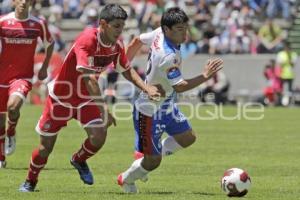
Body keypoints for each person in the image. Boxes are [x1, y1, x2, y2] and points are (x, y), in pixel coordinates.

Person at [19, 4, 163, 192]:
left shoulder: (115, 46)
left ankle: (78, 159)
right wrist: (104, 110)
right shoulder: (87, 40)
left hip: (85, 99)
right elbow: (89, 79)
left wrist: (146, 88)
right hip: (62, 98)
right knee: (46, 148)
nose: (120, 31)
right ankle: (31, 180)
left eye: (122, 26)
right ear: (103, 24)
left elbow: (127, 72)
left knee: (99, 136)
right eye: (117, 26)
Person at [117, 7, 223, 193]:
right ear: (167, 29)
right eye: (180, 29)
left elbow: (136, 41)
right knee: (153, 162)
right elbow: (180, 86)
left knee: (188, 138)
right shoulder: (168, 56)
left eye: (186, 28)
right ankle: (126, 178)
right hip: (148, 110)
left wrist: (121, 65)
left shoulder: (159, 32)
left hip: (165, 104)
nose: (185, 33)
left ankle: (145, 157)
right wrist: (205, 76)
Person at [0, 0, 54, 168]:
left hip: (22, 77)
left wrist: (45, 67)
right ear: (13, 1)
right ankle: (1, 157)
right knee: (1, 119)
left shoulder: (38, 24)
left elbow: (50, 43)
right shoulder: (2, 21)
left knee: (13, 108)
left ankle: (11, 131)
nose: (23, 2)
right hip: (1, 77)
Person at [276, 41, 298, 106]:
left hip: (290, 75)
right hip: (282, 75)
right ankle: (280, 102)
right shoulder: (281, 54)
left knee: (290, 91)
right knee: (280, 89)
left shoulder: (293, 54)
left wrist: (289, 58)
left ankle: (289, 103)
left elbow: (293, 64)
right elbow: (280, 63)